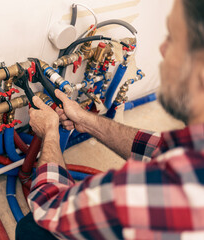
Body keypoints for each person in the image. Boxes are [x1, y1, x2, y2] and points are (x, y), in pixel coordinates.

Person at [15, 0, 204, 239]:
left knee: (31, 229)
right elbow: (155, 148)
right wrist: (86, 120)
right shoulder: (193, 152)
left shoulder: (158, 191)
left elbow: (50, 208)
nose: (163, 49)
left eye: (174, 39)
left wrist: (50, 132)